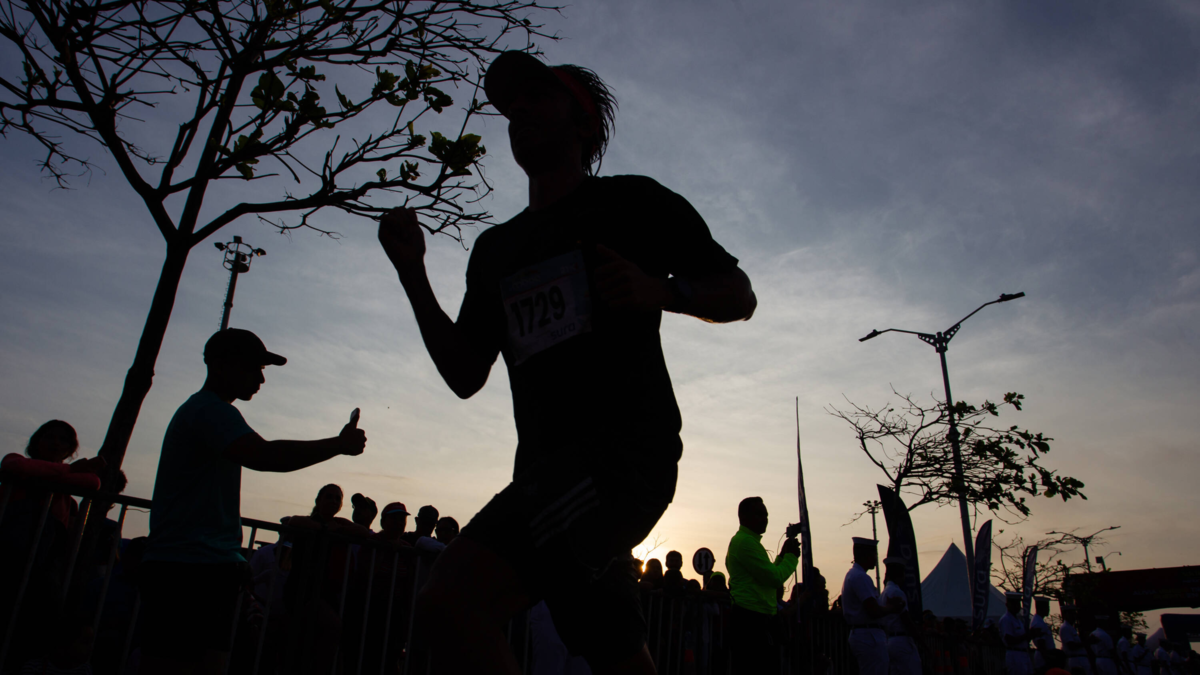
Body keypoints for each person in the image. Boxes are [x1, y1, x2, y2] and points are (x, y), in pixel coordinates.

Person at [377, 49, 756, 675]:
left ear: (582, 124)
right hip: (546, 476)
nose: (518, 110)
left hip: (621, 461)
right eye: (510, 105)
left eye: (537, 97)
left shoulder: (633, 203)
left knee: (450, 603)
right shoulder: (496, 249)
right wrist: (412, 273)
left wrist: (664, 290)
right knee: (617, 658)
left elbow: (737, 294)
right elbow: (466, 374)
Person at [138, 329, 367, 675]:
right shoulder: (209, 411)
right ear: (222, 365)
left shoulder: (211, 412)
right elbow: (264, 455)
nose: (261, 377)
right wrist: (337, 444)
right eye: (254, 367)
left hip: (199, 566)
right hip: (188, 569)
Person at [725, 497, 799, 675]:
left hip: (757, 617)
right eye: (759, 514)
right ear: (743, 516)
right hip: (750, 619)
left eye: (766, 515)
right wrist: (792, 558)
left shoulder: (750, 542)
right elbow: (774, 578)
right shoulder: (746, 542)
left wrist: (781, 557)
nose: (765, 519)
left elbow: (766, 576)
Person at [841, 537, 903, 675]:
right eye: (874, 554)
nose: (876, 558)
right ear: (865, 555)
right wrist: (892, 608)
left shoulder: (853, 575)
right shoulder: (861, 577)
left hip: (865, 634)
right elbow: (873, 610)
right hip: (869, 635)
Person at [880, 557, 921, 675]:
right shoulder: (897, 592)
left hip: (890, 640)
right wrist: (921, 641)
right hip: (902, 640)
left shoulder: (884, 593)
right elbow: (906, 619)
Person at [999, 592, 1036, 675]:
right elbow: (1009, 640)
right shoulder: (1006, 619)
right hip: (1014, 654)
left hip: (1023, 653)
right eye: (1014, 603)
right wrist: (1026, 635)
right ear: (1008, 604)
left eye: (1018, 603)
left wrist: (1031, 634)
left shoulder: (1018, 620)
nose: (1017, 606)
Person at [1061, 605, 1091, 675]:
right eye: (1071, 613)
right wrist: (1087, 642)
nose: (1074, 616)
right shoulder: (1066, 628)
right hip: (1075, 659)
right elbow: (1071, 646)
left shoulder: (1071, 628)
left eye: (1074, 613)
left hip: (1080, 658)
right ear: (1066, 615)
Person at [1031, 597, 1056, 670]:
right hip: (1044, 658)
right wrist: (1048, 658)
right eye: (1046, 607)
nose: (1048, 610)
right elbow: (1041, 644)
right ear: (1040, 608)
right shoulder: (1038, 623)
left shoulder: (1040, 621)